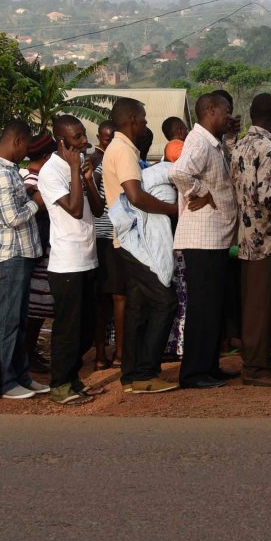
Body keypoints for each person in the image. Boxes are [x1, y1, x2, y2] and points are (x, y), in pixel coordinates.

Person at [100, 98, 178, 387]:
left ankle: (132, 373)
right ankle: (145, 373)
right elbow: (135, 196)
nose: (146, 124)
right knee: (164, 301)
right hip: (135, 241)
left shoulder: (120, 149)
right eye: (144, 119)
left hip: (127, 240)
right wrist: (173, 210)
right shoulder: (122, 151)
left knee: (138, 307)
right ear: (133, 119)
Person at [37, 115, 111, 401]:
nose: (84, 141)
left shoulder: (80, 166)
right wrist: (73, 170)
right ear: (62, 141)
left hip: (88, 258)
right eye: (77, 137)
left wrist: (88, 179)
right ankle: (60, 385)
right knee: (67, 329)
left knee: (85, 329)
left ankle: (73, 378)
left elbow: (97, 208)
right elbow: (76, 209)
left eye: (83, 135)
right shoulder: (51, 172)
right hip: (67, 262)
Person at [169, 91, 239, 390]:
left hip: (215, 236)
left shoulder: (213, 142)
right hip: (203, 237)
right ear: (210, 110)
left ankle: (208, 366)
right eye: (225, 110)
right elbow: (179, 171)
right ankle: (194, 372)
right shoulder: (198, 140)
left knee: (213, 307)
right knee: (203, 307)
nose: (229, 115)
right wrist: (199, 192)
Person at [0, 122, 45, 400]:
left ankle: (21, 376)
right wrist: (36, 202)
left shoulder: (5, 171)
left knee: (18, 318)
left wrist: (27, 197)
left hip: (21, 253)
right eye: (26, 145)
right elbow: (11, 218)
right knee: (8, 321)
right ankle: (6, 381)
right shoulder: (2, 174)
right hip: (12, 254)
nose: (27, 152)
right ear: (17, 141)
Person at [231, 93, 271, 387]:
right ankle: (255, 366)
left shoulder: (240, 145)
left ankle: (261, 360)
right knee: (263, 304)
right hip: (268, 237)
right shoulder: (268, 148)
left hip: (245, 235)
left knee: (252, 302)